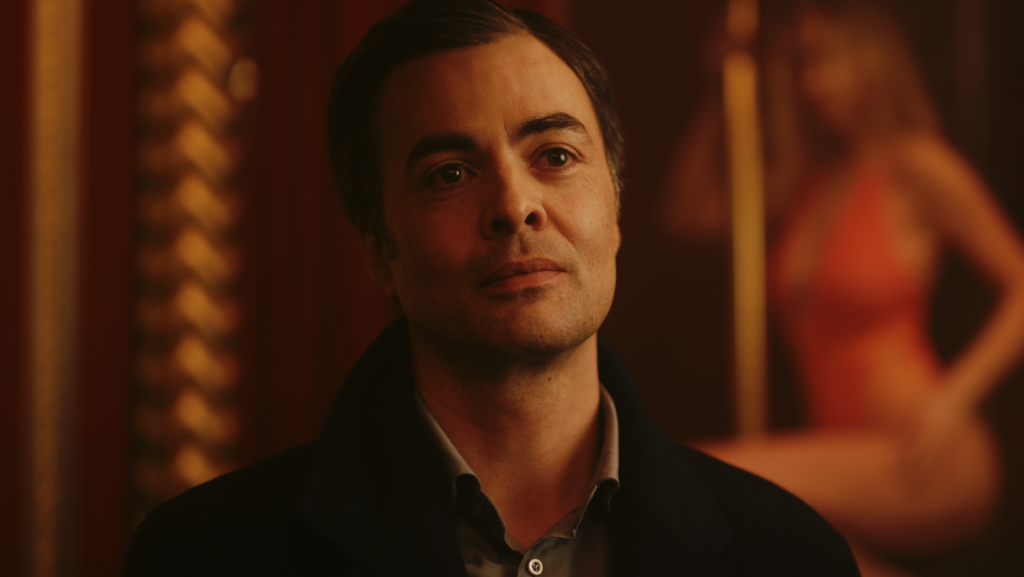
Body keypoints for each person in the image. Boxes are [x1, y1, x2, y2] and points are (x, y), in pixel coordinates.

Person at [123, 1, 860, 575]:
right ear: (379, 249)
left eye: (556, 155)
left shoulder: (791, 555)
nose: (514, 204)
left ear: (615, 211)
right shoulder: (205, 556)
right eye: (449, 173)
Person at [662, 1, 1024, 575]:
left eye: (828, 59)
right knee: (799, 557)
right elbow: (689, 212)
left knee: (696, 477)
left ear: (871, 59)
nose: (814, 82)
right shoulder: (806, 182)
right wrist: (720, 92)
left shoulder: (915, 163)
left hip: (923, 452)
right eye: (802, 64)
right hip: (843, 453)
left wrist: (954, 399)